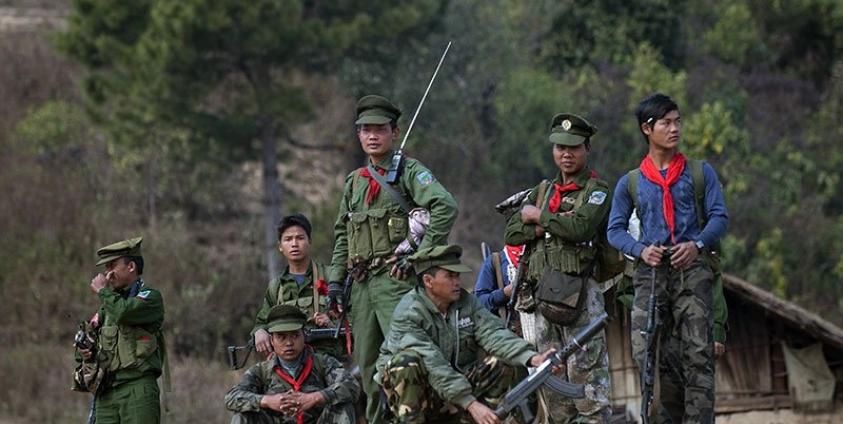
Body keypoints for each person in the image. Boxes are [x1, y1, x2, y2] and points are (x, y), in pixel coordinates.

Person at [327, 94, 459, 423]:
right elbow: (343, 234)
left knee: (408, 360)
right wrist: (333, 283)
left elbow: (445, 207)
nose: (372, 136)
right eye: (365, 130)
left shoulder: (409, 172)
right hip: (360, 288)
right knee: (369, 369)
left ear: (394, 132)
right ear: (358, 135)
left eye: (380, 129)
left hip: (397, 283)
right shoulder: (354, 183)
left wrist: (420, 256)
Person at [607, 93, 729, 424]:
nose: (674, 129)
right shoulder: (631, 182)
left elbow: (720, 217)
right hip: (650, 273)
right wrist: (640, 250)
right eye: (666, 123)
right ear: (648, 128)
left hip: (692, 271)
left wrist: (698, 244)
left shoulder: (700, 172)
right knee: (647, 354)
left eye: (678, 121)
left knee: (698, 356)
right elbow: (614, 230)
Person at [504, 113, 612, 423]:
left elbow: (580, 228)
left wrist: (538, 218)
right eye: (560, 147)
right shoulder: (543, 191)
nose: (566, 154)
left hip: (580, 298)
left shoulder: (596, 190)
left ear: (586, 148)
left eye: (574, 147)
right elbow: (512, 232)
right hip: (542, 299)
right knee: (552, 386)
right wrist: (546, 223)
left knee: (589, 386)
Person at [375, 245, 556, 424]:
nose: (457, 282)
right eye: (450, 276)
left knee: (501, 362)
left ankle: (482, 419)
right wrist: (470, 403)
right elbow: (433, 363)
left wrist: (533, 358)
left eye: (458, 275)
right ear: (428, 281)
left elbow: (494, 334)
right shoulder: (408, 313)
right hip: (422, 396)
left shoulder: (466, 302)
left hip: (454, 390)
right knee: (406, 362)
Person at [76, 236, 166, 424]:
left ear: (131, 267)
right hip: (106, 392)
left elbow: (124, 313)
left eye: (112, 266)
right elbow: (85, 343)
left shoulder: (150, 298)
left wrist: (103, 291)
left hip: (137, 389)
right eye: (106, 268)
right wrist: (85, 352)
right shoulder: (106, 308)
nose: (107, 273)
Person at [225, 305, 360, 424]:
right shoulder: (261, 371)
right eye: (281, 337)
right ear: (272, 340)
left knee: (342, 406)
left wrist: (315, 398)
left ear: (304, 336)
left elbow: (351, 385)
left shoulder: (322, 363)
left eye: (294, 335)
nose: (288, 343)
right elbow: (231, 397)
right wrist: (267, 401)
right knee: (243, 414)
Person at [253, 214, 345, 360]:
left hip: (327, 359)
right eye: (288, 239)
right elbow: (262, 322)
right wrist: (259, 332)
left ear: (310, 241)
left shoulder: (332, 277)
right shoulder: (276, 287)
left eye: (300, 238)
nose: (294, 244)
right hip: (288, 364)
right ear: (280, 247)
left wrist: (331, 324)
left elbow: (355, 320)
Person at [473, 244, 524, 316]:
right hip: (508, 324)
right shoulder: (495, 261)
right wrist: (503, 294)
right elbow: (478, 302)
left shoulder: (541, 255)